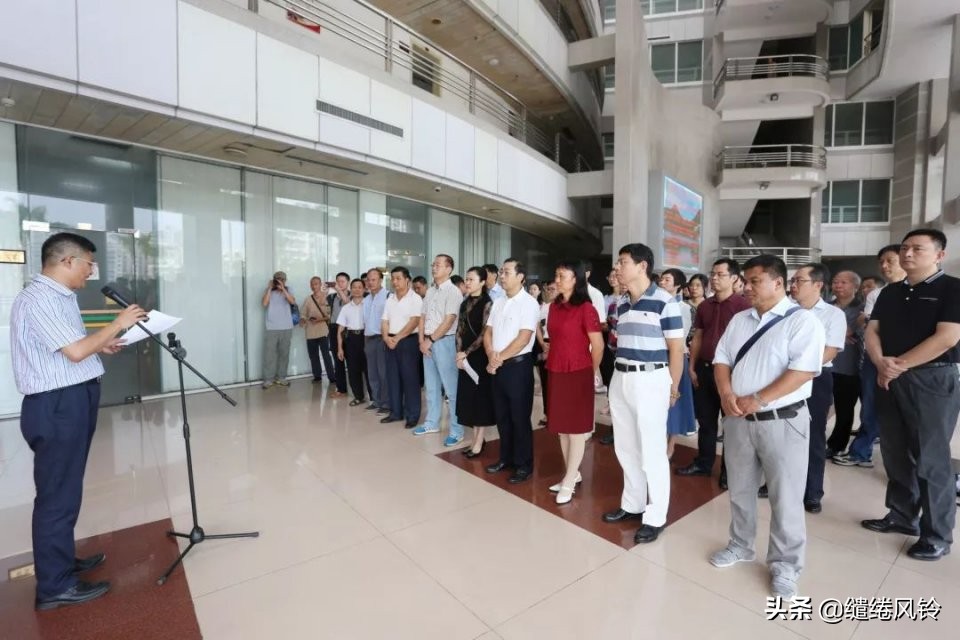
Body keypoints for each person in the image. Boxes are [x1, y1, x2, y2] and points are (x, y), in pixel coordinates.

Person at [12, 232, 148, 610]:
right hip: (57, 405)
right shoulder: (39, 299)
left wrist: (101, 343)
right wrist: (118, 323)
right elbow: (73, 352)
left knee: (66, 488)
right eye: (89, 264)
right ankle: (54, 588)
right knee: (57, 495)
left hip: (72, 398)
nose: (91, 272)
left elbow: (71, 345)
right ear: (67, 261)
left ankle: (61, 561)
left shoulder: (60, 297)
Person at [708, 254, 825, 599]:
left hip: (783, 421)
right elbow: (722, 359)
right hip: (738, 420)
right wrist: (727, 392)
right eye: (745, 280)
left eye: (754, 281)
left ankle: (785, 566)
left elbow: (802, 371)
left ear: (778, 282)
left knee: (786, 496)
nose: (746, 287)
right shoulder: (740, 319)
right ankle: (741, 545)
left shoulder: (802, 322)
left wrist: (757, 398)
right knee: (740, 488)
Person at [861, 229, 960, 561]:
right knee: (895, 452)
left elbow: (947, 338)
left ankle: (937, 534)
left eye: (918, 248)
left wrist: (898, 366)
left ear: (939, 255)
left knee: (931, 459)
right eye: (904, 248)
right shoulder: (889, 293)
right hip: (889, 378)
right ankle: (903, 517)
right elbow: (872, 331)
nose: (908, 254)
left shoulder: (952, 288)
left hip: (931, 380)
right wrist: (879, 362)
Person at [601, 243, 684, 544]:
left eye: (622, 262)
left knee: (652, 450)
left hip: (651, 379)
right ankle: (632, 503)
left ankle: (656, 515)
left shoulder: (665, 301)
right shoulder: (621, 304)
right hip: (621, 377)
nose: (617, 268)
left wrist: (673, 388)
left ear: (641, 266)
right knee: (626, 446)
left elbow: (677, 349)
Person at [676, 259, 750, 486]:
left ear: (734, 278)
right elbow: (698, 336)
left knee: (732, 424)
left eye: (720, 274)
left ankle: (729, 471)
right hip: (705, 368)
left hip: (732, 373)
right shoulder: (705, 306)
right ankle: (703, 463)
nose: (715, 278)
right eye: (713, 273)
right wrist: (691, 366)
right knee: (706, 421)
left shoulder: (744, 307)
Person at [835, 246, 906, 467]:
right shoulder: (877, 294)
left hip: (909, 361)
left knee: (907, 412)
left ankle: (906, 462)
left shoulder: (931, 291)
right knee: (871, 406)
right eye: (881, 262)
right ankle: (861, 452)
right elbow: (868, 325)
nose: (884, 266)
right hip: (875, 359)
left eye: (890, 261)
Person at [788, 264, 847, 515]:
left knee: (812, 435)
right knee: (783, 434)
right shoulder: (786, 311)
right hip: (783, 377)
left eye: (799, 280)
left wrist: (799, 370)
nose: (793, 285)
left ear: (818, 285)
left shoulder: (833, 315)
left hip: (815, 377)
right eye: (792, 280)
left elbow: (830, 351)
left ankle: (812, 492)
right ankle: (780, 485)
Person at [545, 260, 603, 504]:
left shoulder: (586, 308)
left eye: (561, 276)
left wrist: (592, 371)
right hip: (556, 369)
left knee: (577, 430)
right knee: (561, 426)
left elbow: (598, 345)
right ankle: (573, 472)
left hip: (579, 371)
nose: (556, 280)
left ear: (575, 279)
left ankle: (569, 480)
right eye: (556, 275)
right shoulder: (553, 307)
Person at [484, 258, 540, 484]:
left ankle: (523, 464)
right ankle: (505, 458)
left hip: (518, 366)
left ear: (521, 276)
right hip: (497, 366)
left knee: (519, 417)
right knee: (502, 416)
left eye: (507, 272)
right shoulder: (498, 301)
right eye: (501, 272)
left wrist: (498, 358)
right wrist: (491, 355)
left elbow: (524, 338)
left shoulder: (529, 303)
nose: (502, 276)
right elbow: (488, 332)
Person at [414, 254, 465, 445]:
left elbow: (449, 320)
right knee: (432, 386)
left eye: (438, 265)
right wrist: (422, 340)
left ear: (448, 269)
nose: (434, 268)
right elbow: (422, 317)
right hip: (427, 342)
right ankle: (432, 422)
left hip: (445, 342)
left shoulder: (453, 292)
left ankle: (457, 430)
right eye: (433, 264)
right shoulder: (430, 292)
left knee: (451, 390)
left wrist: (431, 340)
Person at [455, 267, 495, 457]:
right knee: (468, 397)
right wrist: (459, 352)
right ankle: (475, 438)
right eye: (466, 279)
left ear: (482, 282)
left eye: (471, 279)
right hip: (464, 356)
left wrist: (467, 352)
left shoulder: (488, 303)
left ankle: (479, 441)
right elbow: (460, 330)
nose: (467, 283)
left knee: (480, 399)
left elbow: (485, 333)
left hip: (480, 356)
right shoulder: (464, 303)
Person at [824, 270, 864, 460]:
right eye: (835, 282)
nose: (838, 285)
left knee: (844, 409)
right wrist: (842, 334)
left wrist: (840, 333)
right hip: (825, 364)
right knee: (822, 405)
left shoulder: (862, 310)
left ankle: (837, 445)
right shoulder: (826, 307)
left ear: (855, 287)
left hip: (849, 367)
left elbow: (858, 334)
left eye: (844, 282)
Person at [659, 269, 697, 455]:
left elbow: (679, 339)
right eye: (662, 279)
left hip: (674, 357)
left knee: (674, 402)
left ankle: (671, 444)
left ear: (678, 286)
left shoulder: (683, 308)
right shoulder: (657, 304)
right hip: (658, 356)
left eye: (667, 280)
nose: (662, 282)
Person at [381, 267, 423, 427]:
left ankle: (412, 415)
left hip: (408, 341)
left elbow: (414, 321)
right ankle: (395, 413)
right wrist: (386, 337)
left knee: (410, 379)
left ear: (407, 280)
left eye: (398, 278)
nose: (395, 281)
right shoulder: (390, 299)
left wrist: (397, 337)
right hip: (390, 341)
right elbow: (384, 320)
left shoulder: (415, 298)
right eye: (393, 278)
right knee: (392, 378)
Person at [261, 270, 296, 388]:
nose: (280, 281)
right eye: (277, 279)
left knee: (284, 353)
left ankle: (281, 377)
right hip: (272, 327)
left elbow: (292, 301)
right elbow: (264, 304)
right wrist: (270, 289)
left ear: (285, 281)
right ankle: (268, 379)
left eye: (282, 279)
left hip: (286, 326)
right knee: (269, 354)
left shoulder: (289, 289)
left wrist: (283, 289)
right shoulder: (269, 290)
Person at [336, 278, 367, 405]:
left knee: (369, 369)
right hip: (351, 339)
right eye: (354, 287)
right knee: (353, 370)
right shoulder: (346, 308)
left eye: (360, 287)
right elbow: (340, 330)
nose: (357, 289)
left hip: (366, 337)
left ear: (364, 289)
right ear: (351, 289)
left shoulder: (368, 304)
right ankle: (358, 396)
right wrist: (340, 348)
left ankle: (375, 399)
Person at [363, 268, 390, 413]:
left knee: (383, 373)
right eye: (368, 280)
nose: (370, 282)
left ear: (380, 280)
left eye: (373, 279)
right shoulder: (366, 299)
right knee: (372, 373)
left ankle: (386, 403)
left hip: (382, 338)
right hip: (369, 339)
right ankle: (376, 400)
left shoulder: (388, 296)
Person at [301, 277, 334, 384]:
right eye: (312, 284)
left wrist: (320, 319)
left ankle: (332, 377)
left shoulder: (326, 297)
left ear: (320, 285)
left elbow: (330, 315)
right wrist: (302, 319)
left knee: (326, 355)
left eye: (316, 283)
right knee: (313, 356)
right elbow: (303, 313)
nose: (313, 286)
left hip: (323, 331)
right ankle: (317, 376)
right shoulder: (308, 299)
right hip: (310, 331)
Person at [535, 280, 557, 427]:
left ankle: (557, 413)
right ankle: (547, 413)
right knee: (545, 381)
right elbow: (536, 324)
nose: (550, 291)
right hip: (544, 343)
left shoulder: (563, 307)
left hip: (558, 345)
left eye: (553, 289)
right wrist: (542, 343)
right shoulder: (544, 306)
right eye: (548, 289)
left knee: (556, 383)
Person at [326, 272, 350, 397]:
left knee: (351, 360)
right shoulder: (332, 297)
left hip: (348, 329)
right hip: (334, 328)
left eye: (342, 281)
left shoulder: (353, 294)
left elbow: (347, 303)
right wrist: (324, 292)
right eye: (338, 281)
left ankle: (357, 390)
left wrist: (339, 291)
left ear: (348, 282)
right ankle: (341, 389)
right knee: (337, 359)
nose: (340, 284)